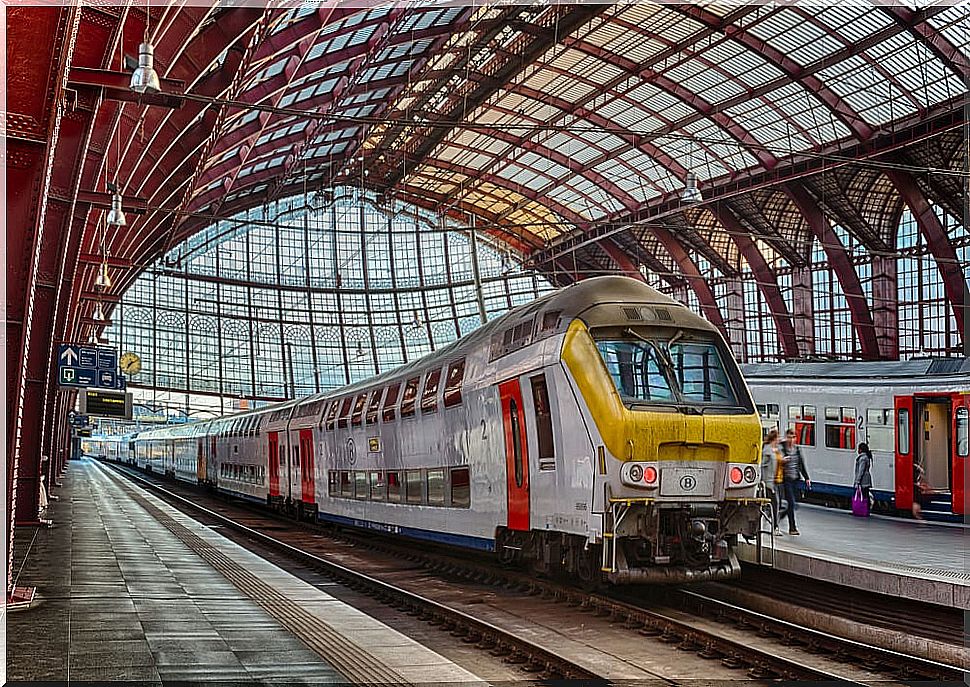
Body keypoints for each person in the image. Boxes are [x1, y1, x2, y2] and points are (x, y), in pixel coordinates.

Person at [778, 429, 811, 535]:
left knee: (794, 504)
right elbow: (777, 461)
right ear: (786, 437)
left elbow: (801, 464)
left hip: (795, 479)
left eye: (793, 438)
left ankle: (780, 515)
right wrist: (782, 461)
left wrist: (807, 478)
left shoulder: (797, 449)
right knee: (791, 503)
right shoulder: (781, 447)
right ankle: (792, 528)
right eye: (789, 437)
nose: (791, 440)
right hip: (786, 480)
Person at [760, 429, 784, 536]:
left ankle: (771, 523)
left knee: (775, 504)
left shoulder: (777, 449)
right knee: (774, 504)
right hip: (769, 483)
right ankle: (775, 527)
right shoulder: (767, 450)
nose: (779, 439)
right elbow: (762, 465)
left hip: (778, 481)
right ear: (774, 438)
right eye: (778, 437)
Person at [854, 442, 873, 509]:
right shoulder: (866, 457)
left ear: (861, 449)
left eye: (859, 449)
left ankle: (863, 509)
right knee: (865, 494)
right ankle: (866, 508)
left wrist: (857, 481)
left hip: (863, 480)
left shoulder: (862, 458)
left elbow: (860, 471)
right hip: (866, 479)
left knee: (863, 495)